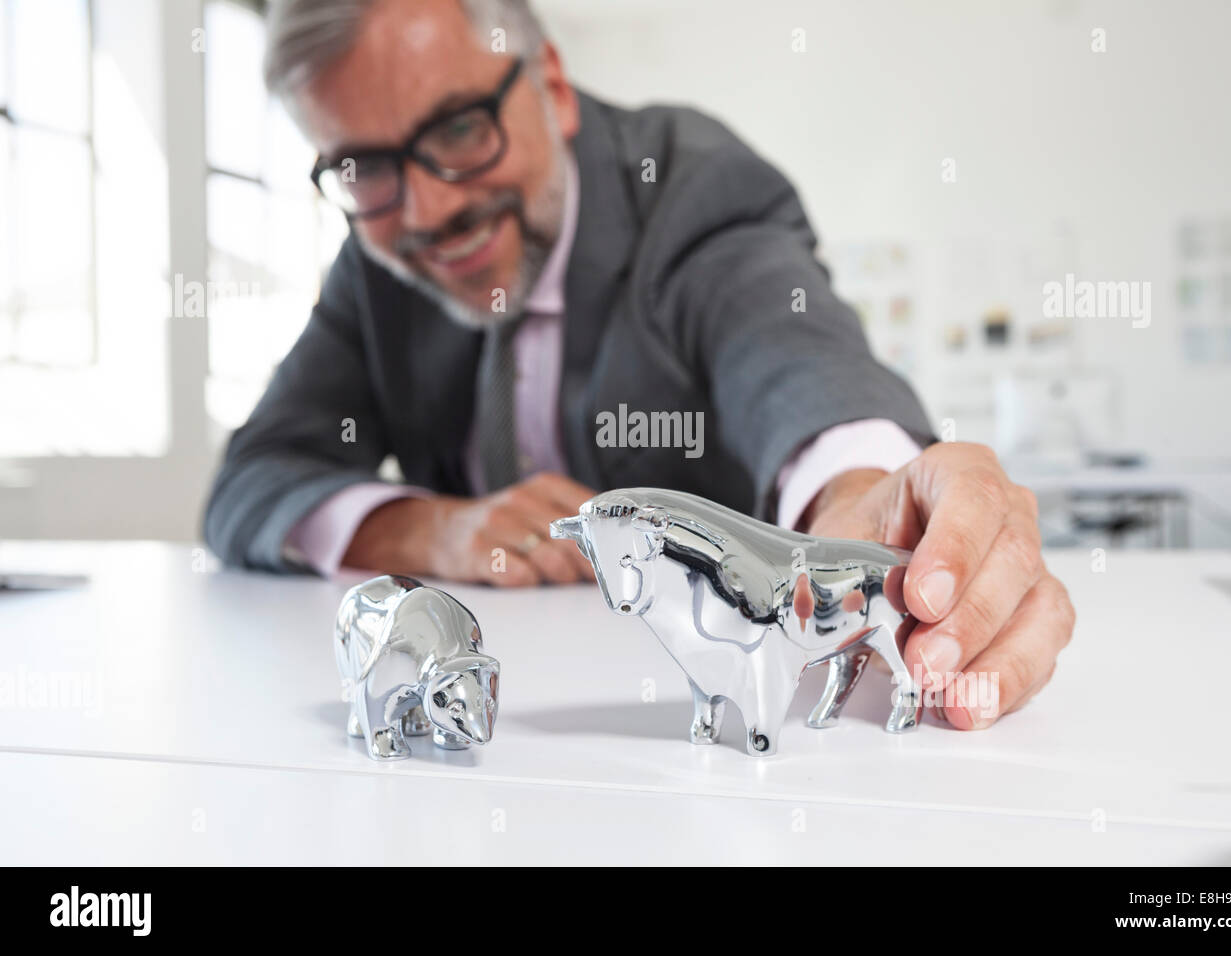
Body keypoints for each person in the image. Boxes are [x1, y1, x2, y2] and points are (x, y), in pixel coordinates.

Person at [202, 0, 1074, 730]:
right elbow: (252, 478)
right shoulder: (375, 268)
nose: (430, 209)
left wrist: (862, 500)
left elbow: (797, 365)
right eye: (361, 169)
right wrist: (428, 528)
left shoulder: (694, 193)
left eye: (461, 128)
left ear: (550, 86)